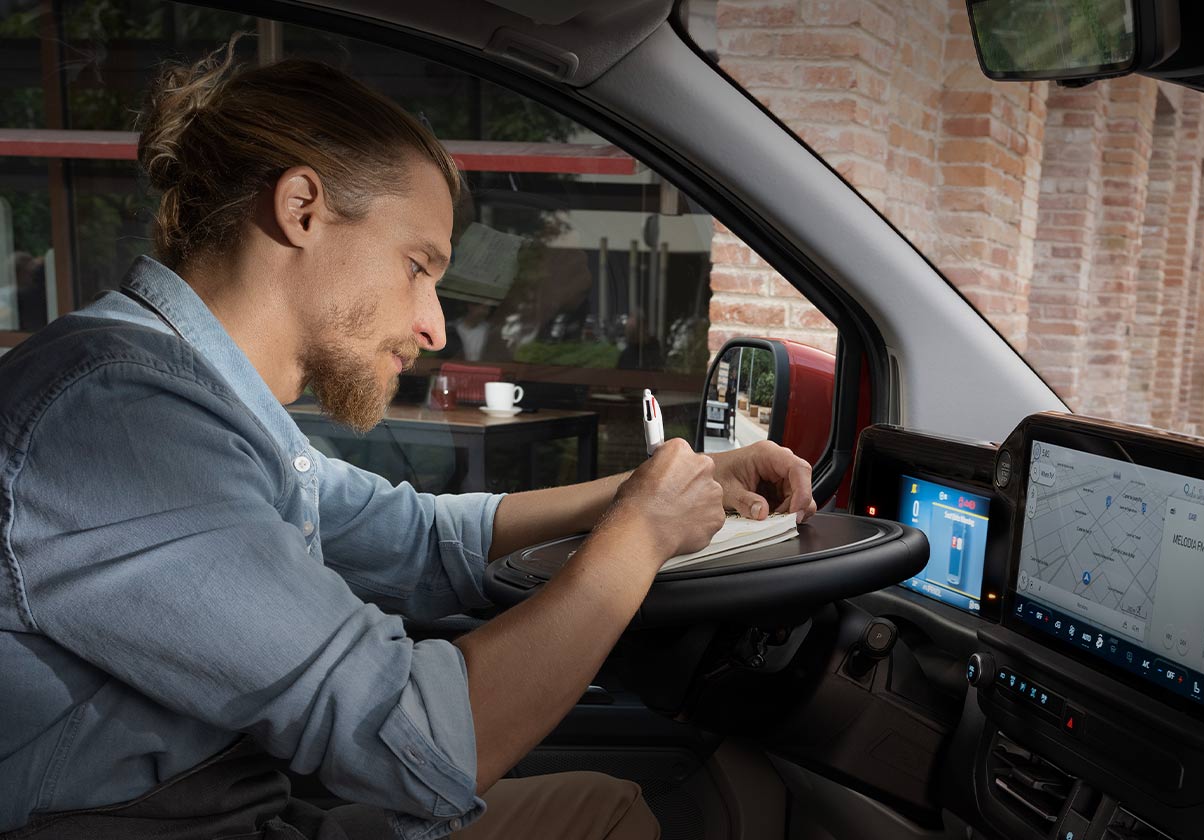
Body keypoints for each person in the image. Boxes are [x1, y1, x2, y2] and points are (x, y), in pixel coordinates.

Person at [0, 41, 815, 840]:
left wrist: (658, 490)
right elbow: (426, 745)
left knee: (605, 803)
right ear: (302, 209)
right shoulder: (122, 419)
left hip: (241, 800)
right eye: (418, 266)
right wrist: (640, 538)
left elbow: (424, 538)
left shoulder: (193, 400)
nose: (432, 324)